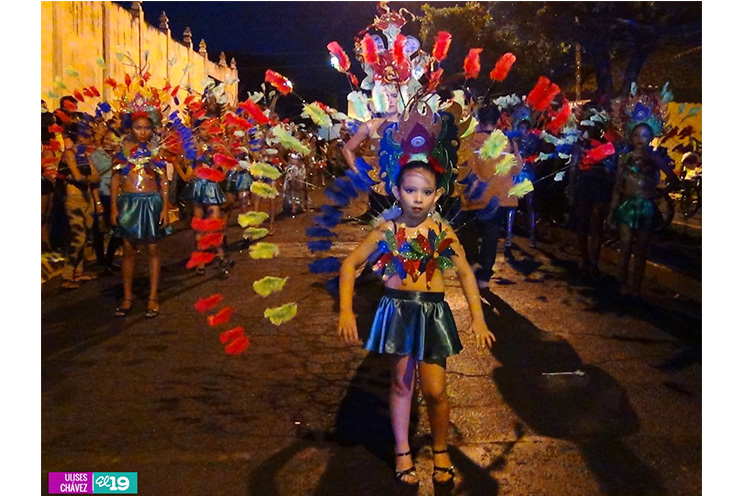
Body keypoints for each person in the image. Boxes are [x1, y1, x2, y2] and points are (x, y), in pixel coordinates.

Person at [338, 156, 495, 488]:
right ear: (397, 192)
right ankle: (402, 451)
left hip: (432, 313)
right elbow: (349, 265)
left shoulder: (441, 230)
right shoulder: (387, 230)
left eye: (426, 192)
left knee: (436, 391)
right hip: (397, 311)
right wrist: (346, 311)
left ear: (437, 196)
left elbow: (466, 272)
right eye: (410, 190)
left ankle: (440, 449)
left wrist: (478, 318)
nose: (418, 198)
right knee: (401, 384)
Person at [110, 112, 170, 317]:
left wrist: (164, 208)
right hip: (128, 203)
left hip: (151, 202)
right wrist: (113, 207)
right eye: (138, 127)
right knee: (128, 250)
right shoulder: (122, 151)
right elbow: (116, 180)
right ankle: (127, 297)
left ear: (152, 129)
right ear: (130, 128)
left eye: (146, 127)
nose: (142, 132)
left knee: (152, 249)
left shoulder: (156, 151)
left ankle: (152, 297)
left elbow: (163, 181)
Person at [608, 123, 679, 296]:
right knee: (625, 247)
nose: (640, 139)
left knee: (641, 250)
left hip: (646, 208)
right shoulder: (624, 159)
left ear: (651, 138)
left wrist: (659, 194)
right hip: (627, 206)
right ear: (631, 137)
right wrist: (611, 211)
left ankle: (636, 288)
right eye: (637, 135)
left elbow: (673, 178)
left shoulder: (654, 158)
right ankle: (621, 284)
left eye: (645, 135)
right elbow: (618, 187)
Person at [458, 104, 523, 288]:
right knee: (491, 238)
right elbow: (517, 168)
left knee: (468, 234)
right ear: (497, 121)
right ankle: (484, 278)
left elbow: (464, 169)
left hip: (474, 198)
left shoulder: (469, 142)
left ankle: (474, 265)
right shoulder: (507, 142)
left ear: (478, 120)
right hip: (500, 198)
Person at [58, 120, 102, 289]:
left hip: (87, 198)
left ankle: (79, 271)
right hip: (74, 198)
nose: (90, 137)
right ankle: (67, 275)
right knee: (78, 237)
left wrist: (84, 179)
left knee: (86, 235)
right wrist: (84, 179)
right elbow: (78, 177)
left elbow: (95, 177)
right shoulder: (70, 154)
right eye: (86, 135)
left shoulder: (85, 156)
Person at [90, 128, 123, 273]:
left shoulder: (122, 156)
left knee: (118, 228)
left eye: (113, 140)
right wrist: (97, 201)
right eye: (107, 139)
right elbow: (93, 180)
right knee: (100, 229)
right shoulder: (96, 156)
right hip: (102, 194)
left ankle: (108, 259)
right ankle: (101, 260)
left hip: (118, 196)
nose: (109, 142)